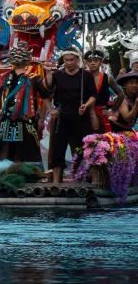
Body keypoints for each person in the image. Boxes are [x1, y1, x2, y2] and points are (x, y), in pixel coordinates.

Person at [0, 46, 49, 165]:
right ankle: (5, 173)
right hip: (6, 120)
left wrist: (48, 73)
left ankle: (30, 175)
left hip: (26, 120)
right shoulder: (3, 78)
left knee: (27, 152)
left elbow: (46, 94)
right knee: (5, 152)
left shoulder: (33, 78)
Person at [46, 48, 98, 183]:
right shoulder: (57, 74)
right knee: (58, 149)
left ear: (78, 60)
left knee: (82, 148)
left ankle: (82, 178)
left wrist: (86, 105)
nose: (69, 62)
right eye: (66, 60)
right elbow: (47, 90)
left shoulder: (85, 75)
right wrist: (51, 109)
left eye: (72, 60)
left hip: (81, 115)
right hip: (62, 116)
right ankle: (57, 181)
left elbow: (93, 95)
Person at [84, 48, 122, 132]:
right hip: (84, 113)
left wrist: (112, 110)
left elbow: (121, 94)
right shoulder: (81, 77)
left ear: (101, 62)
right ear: (86, 62)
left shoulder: (107, 77)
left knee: (102, 141)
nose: (93, 63)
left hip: (102, 113)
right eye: (90, 61)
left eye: (96, 60)